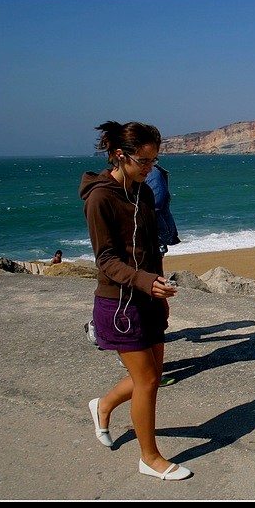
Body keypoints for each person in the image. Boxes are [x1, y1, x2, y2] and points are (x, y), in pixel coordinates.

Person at [79, 120, 191, 481]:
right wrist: (144, 282)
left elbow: (148, 250)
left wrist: (159, 293)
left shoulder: (142, 192)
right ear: (118, 155)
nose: (149, 169)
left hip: (147, 297)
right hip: (119, 304)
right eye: (143, 161)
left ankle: (104, 405)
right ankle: (150, 457)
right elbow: (107, 260)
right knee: (145, 381)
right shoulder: (100, 198)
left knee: (153, 377)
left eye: (154, 161)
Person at [145, 163, 181, 387]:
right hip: (152, 243)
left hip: (151, 242)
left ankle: (150, 370)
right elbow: (156, 207)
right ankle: (150, 371)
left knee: (156, 307)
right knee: (157, 307)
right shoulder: (153, 172)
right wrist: (163, 235)